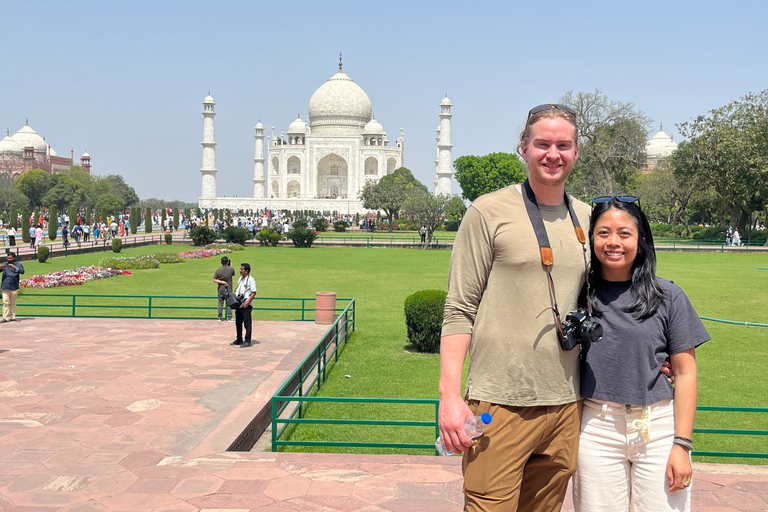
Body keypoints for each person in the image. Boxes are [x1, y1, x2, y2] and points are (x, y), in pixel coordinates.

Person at [439, 104, 592, 512]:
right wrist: (449, 397)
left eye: (563, 145)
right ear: (523, 148)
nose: (553, 154)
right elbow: (459, 308)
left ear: (576, 152)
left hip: (565, 403)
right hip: (499, 404)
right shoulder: (488, 212)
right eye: (542, 144)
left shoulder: (588, 219)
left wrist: (658, 356)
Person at [573, 196, 709, 511]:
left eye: (624, 233)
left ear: (641, 239)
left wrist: (682, 445)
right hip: (597, 427)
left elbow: (686, 372)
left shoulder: (669, 297)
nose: (613, 242)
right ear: (591, 238)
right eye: (603, 232)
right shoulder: (578, 295)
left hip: (658, 427)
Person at [231, 262, 257, 347]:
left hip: (246, 303)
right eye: (240, 269)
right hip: (239, 303)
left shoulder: (251, 280)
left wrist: (247, 302)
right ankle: (239, 339)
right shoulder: (240, 279)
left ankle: (247, 340)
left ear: (247, 271)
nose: (240, 271)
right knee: (238, 323)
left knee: (247, 323)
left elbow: (253, 292)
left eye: (242, 269)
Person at [1, 252, 25, 323]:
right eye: (8, 258)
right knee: (5, 302)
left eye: (10, 258)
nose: (9, 259)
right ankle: (5, 317)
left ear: (14, 258)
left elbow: (22, 271)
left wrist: (14, 267)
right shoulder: (5, 264)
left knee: (13, 302)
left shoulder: (18, 265)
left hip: (14, 286)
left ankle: (13, 317)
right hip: (5, 286)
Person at [213, 256, 235, 323]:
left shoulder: (218, 270)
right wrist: (230, 267)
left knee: (220, 303)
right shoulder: (231, 269)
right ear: (228, 262)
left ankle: (220, 317)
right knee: (229, 304)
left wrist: (222, 282)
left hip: (220, 289)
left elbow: (214, 279)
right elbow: (233, 274)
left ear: (221, 262)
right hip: (228, 290)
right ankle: (230, 317)